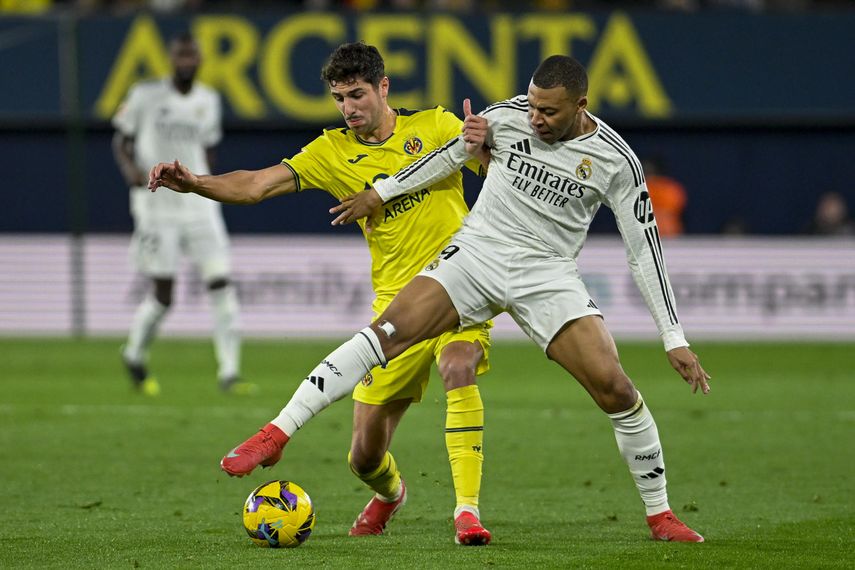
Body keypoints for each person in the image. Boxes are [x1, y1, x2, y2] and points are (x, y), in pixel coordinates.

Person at [153, 54, 712, 543]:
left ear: (581, 105)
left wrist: (674, 337)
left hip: (547, 274)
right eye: (533, 107)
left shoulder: (619, 161)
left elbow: (645, 252)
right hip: (476, 255)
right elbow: (446, 158)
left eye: (549, 112)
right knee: (381, 351)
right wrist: (380, 191)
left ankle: (659, 515)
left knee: (612, 386)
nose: (535, 118)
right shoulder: (504, 116)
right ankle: (276, 434)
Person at [146, 42, 494, 545]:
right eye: (339, 98)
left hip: (460, 287)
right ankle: (391, 494)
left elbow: (492, 166)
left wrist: (484, 144)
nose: (349, 108)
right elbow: (257, 185)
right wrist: (197, 182)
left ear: (383, 88)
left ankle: (467, 514)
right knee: (364, 457)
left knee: (458, 365)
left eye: (357, 94)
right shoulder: (331, 152)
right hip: (395, 308)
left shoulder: (436, 127)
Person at [113, 32, 249, 395]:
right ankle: (134, 354)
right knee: (164, 293)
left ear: (200, 61)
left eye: (192, 56)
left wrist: (207, 185)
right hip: (157, 205)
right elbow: (121, 141)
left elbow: (209, 150)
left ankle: (230, 373)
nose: (186, 62)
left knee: (220, 281)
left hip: (198, 204)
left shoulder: (209, 100)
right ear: (172, 59)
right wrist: (132, 175)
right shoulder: (145, 95)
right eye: (181, 55)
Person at [641, 155, 687, 237]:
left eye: (652, 172)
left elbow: (676, 208)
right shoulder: (639, 190)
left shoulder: (671, 188)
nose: (650, 176)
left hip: (671, 236)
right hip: (644, 237)